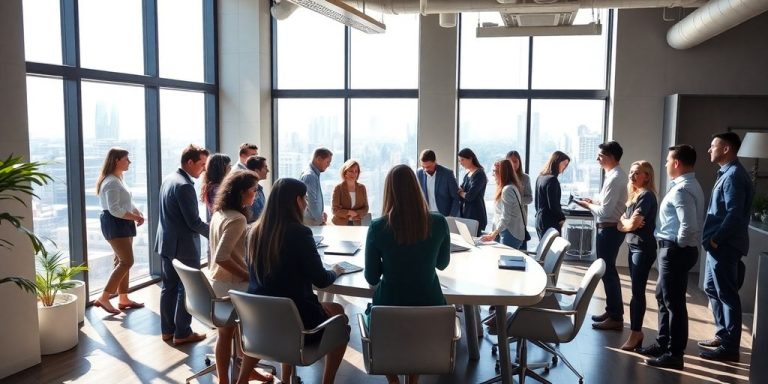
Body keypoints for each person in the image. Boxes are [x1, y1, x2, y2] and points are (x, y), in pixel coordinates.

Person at [240, 178, 348, 384]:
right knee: (340, 318)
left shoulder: (253, 232)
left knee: (283, 309)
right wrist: (335, 270)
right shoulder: (300, 233)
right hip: (299, 324)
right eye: (305, 198)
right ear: (297, 200)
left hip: (260, 321)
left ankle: (244, 380)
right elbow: (322, 279)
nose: (307, 203)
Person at [364, 164, 451, 384]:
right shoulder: (439, 222)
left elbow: (371, 278)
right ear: (416, 188)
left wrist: (391, 264)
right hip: (430, 309)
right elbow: (442, 264)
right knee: (418, 336)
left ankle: (393, 381)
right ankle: (413, 381)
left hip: (388, 309)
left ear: (388, 191)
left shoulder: (377, 227)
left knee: (373, 319)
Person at [637, 145, 705, 370]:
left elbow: (689, 226)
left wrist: (678, 247)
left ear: (676, 163)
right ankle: (663, 342)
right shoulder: (687, 185)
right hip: (673, 249)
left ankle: (675, 354)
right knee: (662, 296)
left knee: (674, 303)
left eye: (668, 161)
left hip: (675, 250)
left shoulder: (682, 190)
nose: (665, 164)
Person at [207, 171, 272, 384]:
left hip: (217, 284)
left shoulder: (219, 213)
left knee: (225, 334)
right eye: (253, 190)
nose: (255, 194)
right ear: (242, 193)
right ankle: (237, 375)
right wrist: (248, 274)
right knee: (257, 328)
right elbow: (222, 257)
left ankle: (227, 378)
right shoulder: (237, 219)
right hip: (231, 286)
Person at [699, 132, 754, 362]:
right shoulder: (727, 173)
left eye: (713, 146)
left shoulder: (733, 176)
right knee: (712, 289)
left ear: (726, 149)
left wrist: (716, 239)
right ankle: (723, 335)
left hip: (725, 246)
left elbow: (734, 214)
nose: (709, 150)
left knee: (727, 295)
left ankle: (730, 347)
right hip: (718, 246)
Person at [155, 144, 210, 346]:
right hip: (183, 247)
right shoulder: (185, 186)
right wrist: (215, 232)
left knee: (168, 287)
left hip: (166, 243)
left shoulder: (170, 179)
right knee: (186, 289)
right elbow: (193, 222)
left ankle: (167, 331)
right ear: (189, 162)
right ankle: (182, 332)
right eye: (201, 164)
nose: (203, 169)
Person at [575, 140, 628, 331]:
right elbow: (606, 204)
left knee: (609, 273)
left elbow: (605, 212)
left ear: (611, 156)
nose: (597, 158)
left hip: (609, 229)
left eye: (600, 155)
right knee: (609, 273)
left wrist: (588, 205)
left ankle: (615, 316)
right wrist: (594, 201)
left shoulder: (615, 177)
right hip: (609, 229)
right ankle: (612, 310)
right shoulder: (614, 175)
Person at [93, 148, 145, 314]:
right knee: (126, 261)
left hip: (123, 222)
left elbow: (126, 201)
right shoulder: (111, 182)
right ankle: (104, 297)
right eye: (126, 159)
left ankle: (123, 298)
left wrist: (137, 213)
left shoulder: (119, 179)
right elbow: (114, 209)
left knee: (121, 261)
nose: (129, 162)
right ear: (116, 160)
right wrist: (135, 217)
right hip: (115, 223)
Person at [616, 160, 658, 351]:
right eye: (631, 172)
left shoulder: (647, 196)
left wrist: (626, 223)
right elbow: (622, 223)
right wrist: (626, 222)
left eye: (636, 173)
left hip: (642, 248)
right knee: (635, 291)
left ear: (647, 176)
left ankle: (636, 333)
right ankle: (636, 332)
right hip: (634, 246)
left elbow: (629, 225)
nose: (632, 176)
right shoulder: (634, 196)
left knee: (637, 292)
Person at [480, 160, 526, 249]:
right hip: (507, 231)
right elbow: (499, 214)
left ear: (502, 173)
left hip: (510, 233)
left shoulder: (507, 190)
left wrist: (494, 233)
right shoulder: (509, 187)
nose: (492, 174)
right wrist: (493, 231)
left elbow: (505, 217)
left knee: (505, 261)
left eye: (494, 171)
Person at [534, 151, 570, 238]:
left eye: (566, 165)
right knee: (553, 250)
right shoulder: (552, 180)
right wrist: (562, 218)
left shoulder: (540, 177)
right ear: (556, 162)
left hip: (539, 219)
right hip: (550, 222)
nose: (565, 167)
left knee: (544, 249)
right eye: (564, 164)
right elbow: (553, 205)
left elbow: (536, 202)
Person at [416, 149, 460, 217]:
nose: (425, 170)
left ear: (435, 162)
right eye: (423, 166)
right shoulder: (419, 173)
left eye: (428, 167)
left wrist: (451, 216)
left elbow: (456, 198)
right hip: (427, 215)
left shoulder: (447, 174)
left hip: (445, 216)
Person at [457, 148, 487, 236]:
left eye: (462, 160)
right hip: (466, 213)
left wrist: (461, 193)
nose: (461, 163)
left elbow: (470, 196)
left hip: (475, 214)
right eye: (459, 161)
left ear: (470, 158)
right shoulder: (467, 174)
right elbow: (461, 191)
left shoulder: (479, 174)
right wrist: (462, 193)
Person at [506, 150, 533, 249]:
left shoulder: (525, 178)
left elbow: (530, 198)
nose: (513, 164)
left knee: (520, 251)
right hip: (505, 219)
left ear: (519, 162)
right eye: (510, 161)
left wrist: (516, 201)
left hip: (520, 220)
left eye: (515, 161)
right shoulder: (504, 177)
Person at [300, 147, 333, 225]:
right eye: (327, 162)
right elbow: (312, 202)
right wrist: (320, 220)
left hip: (313, 219)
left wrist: (321, 213)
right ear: (318, 159)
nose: (328, 165)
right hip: (311, 221)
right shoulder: (310, 176)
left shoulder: (313, 174)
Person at [331, 159, 369, 226]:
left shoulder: (362, 188)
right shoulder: (338, 188)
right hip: (340, 225)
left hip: (357, 223)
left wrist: (356, 213)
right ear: (345, 173)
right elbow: (335, 210)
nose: (354, 173)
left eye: (356, 171)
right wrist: (349, 212)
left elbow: (366, 208)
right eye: (351, 171)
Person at [201, 153, 232, 221]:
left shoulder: (213, 187)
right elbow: (225, 211)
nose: (231, 169)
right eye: (229, 166)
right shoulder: (216, 189)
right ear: (221, 169)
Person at [245, 155, 269, 223]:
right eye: (265, 167)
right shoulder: (248, 190)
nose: (268, 170)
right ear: (256, 171)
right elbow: (255, 216)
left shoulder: (259, 189)